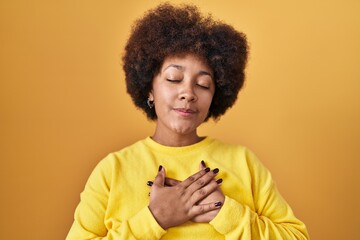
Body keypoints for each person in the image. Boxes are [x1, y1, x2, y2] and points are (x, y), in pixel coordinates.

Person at [66, 3, 309, 239]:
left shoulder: (244, 163)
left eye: (203, 84)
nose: (188, 93)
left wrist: (226, 212)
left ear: (216, 95)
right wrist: (155, 218)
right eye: (174, 78)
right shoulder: (112, 171)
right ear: (149, 88)